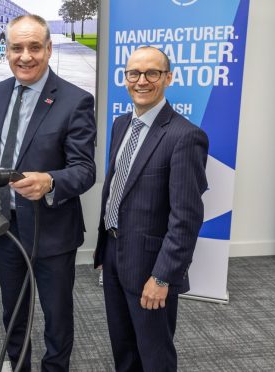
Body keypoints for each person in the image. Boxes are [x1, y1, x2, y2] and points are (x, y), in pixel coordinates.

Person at [0, 15, 96, 371]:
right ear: (7, 50)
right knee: (13, 313)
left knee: (56, 316)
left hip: (52, 232)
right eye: (17, 48)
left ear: (48, 49)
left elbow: (85, 170)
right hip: (4, 227)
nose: (25, 56)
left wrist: (49, 182)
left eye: (34, 47)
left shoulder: (75, 100)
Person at [94, 46, 209, 372]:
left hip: (151, 266)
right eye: (134, 73)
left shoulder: (185, 136)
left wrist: (162, 277)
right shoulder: (120, 124)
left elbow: (186, 218)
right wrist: (107, 250)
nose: (141, 81)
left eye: (152, 73)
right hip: (115, 253)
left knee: (154, 353)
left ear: (168, 78)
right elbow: (120, 188)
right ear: (126, 78)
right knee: (123, 347)